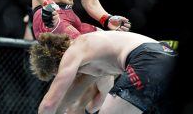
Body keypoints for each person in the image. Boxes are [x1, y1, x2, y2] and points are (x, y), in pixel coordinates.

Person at [29, 31, 177, 114]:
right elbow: (103, 96)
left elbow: (48, 104)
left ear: (56, 61)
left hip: (147, 59)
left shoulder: (75, 50)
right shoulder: (96, 59)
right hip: (167, 56)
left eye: (56, 73)